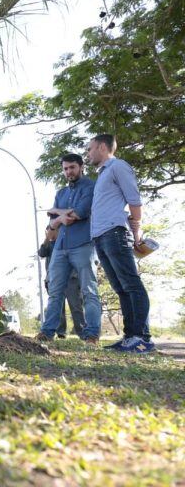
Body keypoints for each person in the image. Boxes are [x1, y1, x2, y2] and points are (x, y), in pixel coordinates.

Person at [86, 134, 154, 353]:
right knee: (120, 288)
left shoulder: (118, 167)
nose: (88, 153)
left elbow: (134, 201)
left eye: (90, 149)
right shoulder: (103, 174)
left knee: (131, 284)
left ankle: (142, 337)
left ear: (103, 147)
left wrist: (137, 235)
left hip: (115, 233)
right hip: (100, 236)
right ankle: (130, 337)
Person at [36, 153, 101, 343]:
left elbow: (79, 213)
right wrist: (57, 217)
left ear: (81, 167)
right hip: (60, 247)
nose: (68, 172)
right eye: (65, 168)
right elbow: (53, 227)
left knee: (89, 291)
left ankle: (91, 334)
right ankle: (47, 333)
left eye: (72, 167)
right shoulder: (61, 193)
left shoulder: (91, 186)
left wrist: (57, 212)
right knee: (55, 292)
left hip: (83, 245)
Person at [38, 224, 85, 338]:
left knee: (76, 306)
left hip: (71, 279)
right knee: (56, 306)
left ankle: (82, 333)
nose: (50, 231)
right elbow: (41, 253)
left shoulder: (67, 240)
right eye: (48, 229)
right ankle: (60, 332)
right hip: (53, 279)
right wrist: (47, 239)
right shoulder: (49, 244)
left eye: (53, 229)